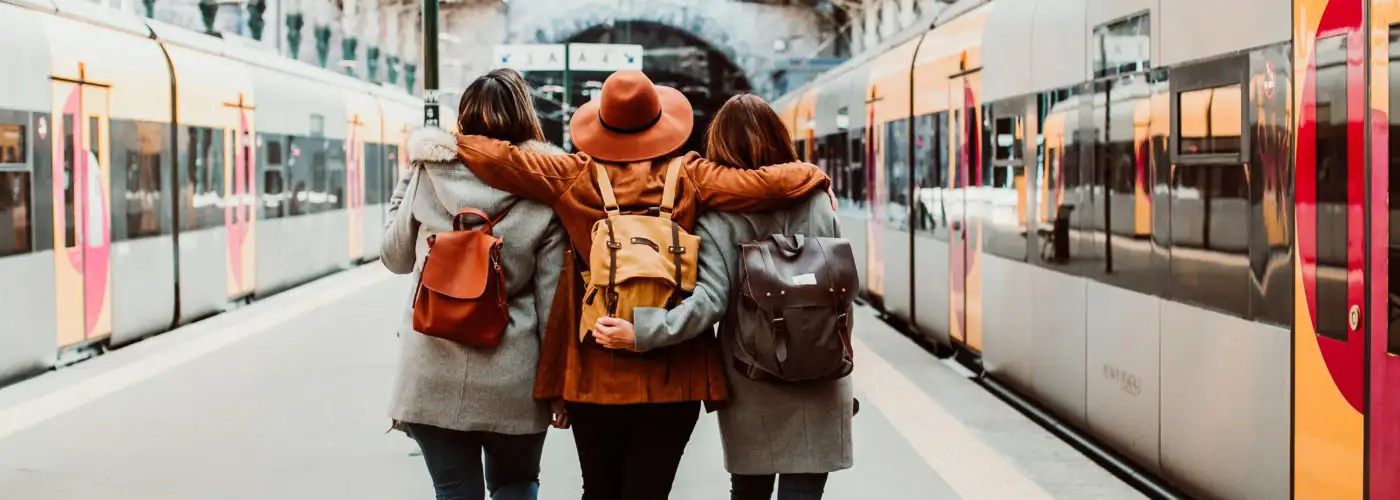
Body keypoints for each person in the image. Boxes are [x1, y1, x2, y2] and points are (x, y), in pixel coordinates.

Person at [448, 70, 832, 500]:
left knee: (599, 489)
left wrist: (449, 140)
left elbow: (499, 159)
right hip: (674, 371)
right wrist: (810, 176)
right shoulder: (690, 174)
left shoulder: (573, 174)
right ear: (660, 122)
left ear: (601, 125)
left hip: (596, 367)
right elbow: (759, 184)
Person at [595, 94, 854, 500]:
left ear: (719, 151)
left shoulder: (717, 216)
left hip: (753, 376)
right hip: (820, 368)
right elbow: (840, 292)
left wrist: (642, 330)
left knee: (748, 493)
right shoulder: (819, 199)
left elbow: (709, 302)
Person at [381, 68, 568, 500]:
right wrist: (556, 390)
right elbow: (551, 301)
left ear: (462, 119)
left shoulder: (430, 170)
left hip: (432, 366)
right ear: (526, 119)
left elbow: (394, 256)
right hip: (513, 374)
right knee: (515, 486)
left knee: (454, 492)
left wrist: (409, 181)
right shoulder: (545, 185)